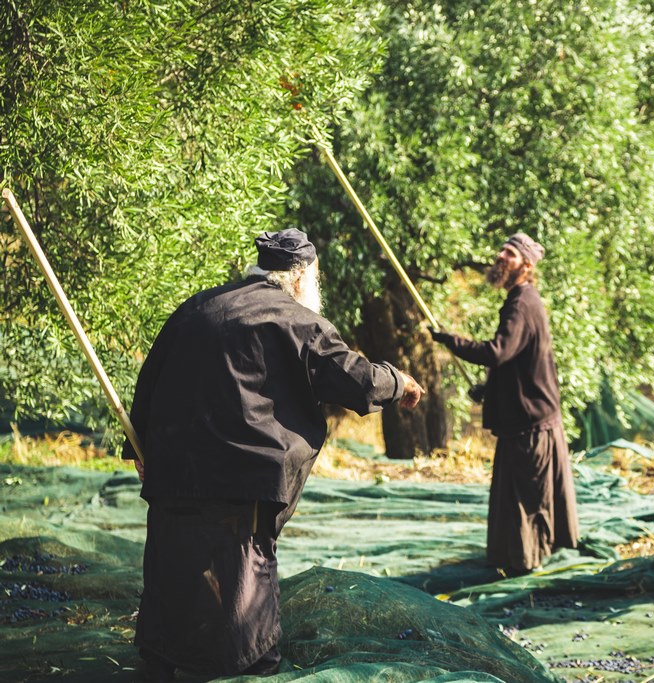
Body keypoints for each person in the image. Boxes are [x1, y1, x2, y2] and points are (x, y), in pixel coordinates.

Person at [121, 228, 424, 680]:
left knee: (174, 572)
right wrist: (401, 380)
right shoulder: (298, 320)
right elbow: (357, 380)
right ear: (300, 276)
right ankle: (251, 670)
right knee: (245, 598)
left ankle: (169, 664)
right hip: (241, 484)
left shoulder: (197, 308)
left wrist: (139, 447)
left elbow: (150, 379)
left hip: (174, 476)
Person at [429, 233, 579, 575]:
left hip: (530, 427)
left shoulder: (522, 303)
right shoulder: (521, 299)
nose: (500, 257)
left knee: (524, 501)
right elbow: (515, 363)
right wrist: (490, 391)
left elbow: (498, 352)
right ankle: (520, 561)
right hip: (527, 420)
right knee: (517, 499)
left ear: (526, 265)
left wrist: (449, 340)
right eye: (502, 251)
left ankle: (526, 567)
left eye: (509, 254)